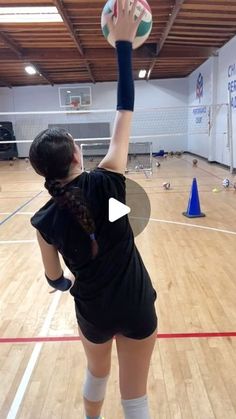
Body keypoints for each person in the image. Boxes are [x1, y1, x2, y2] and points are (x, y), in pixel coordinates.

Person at [29, 1, 157, 418]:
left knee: (96, 376)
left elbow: (54, 278)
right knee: (135, 396)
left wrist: (68, 284)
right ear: (78, 156)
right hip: (136, 303)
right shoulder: (109, 179)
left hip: (93, 311)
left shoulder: (45, 222)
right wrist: (123, 44)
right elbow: (125, 109)